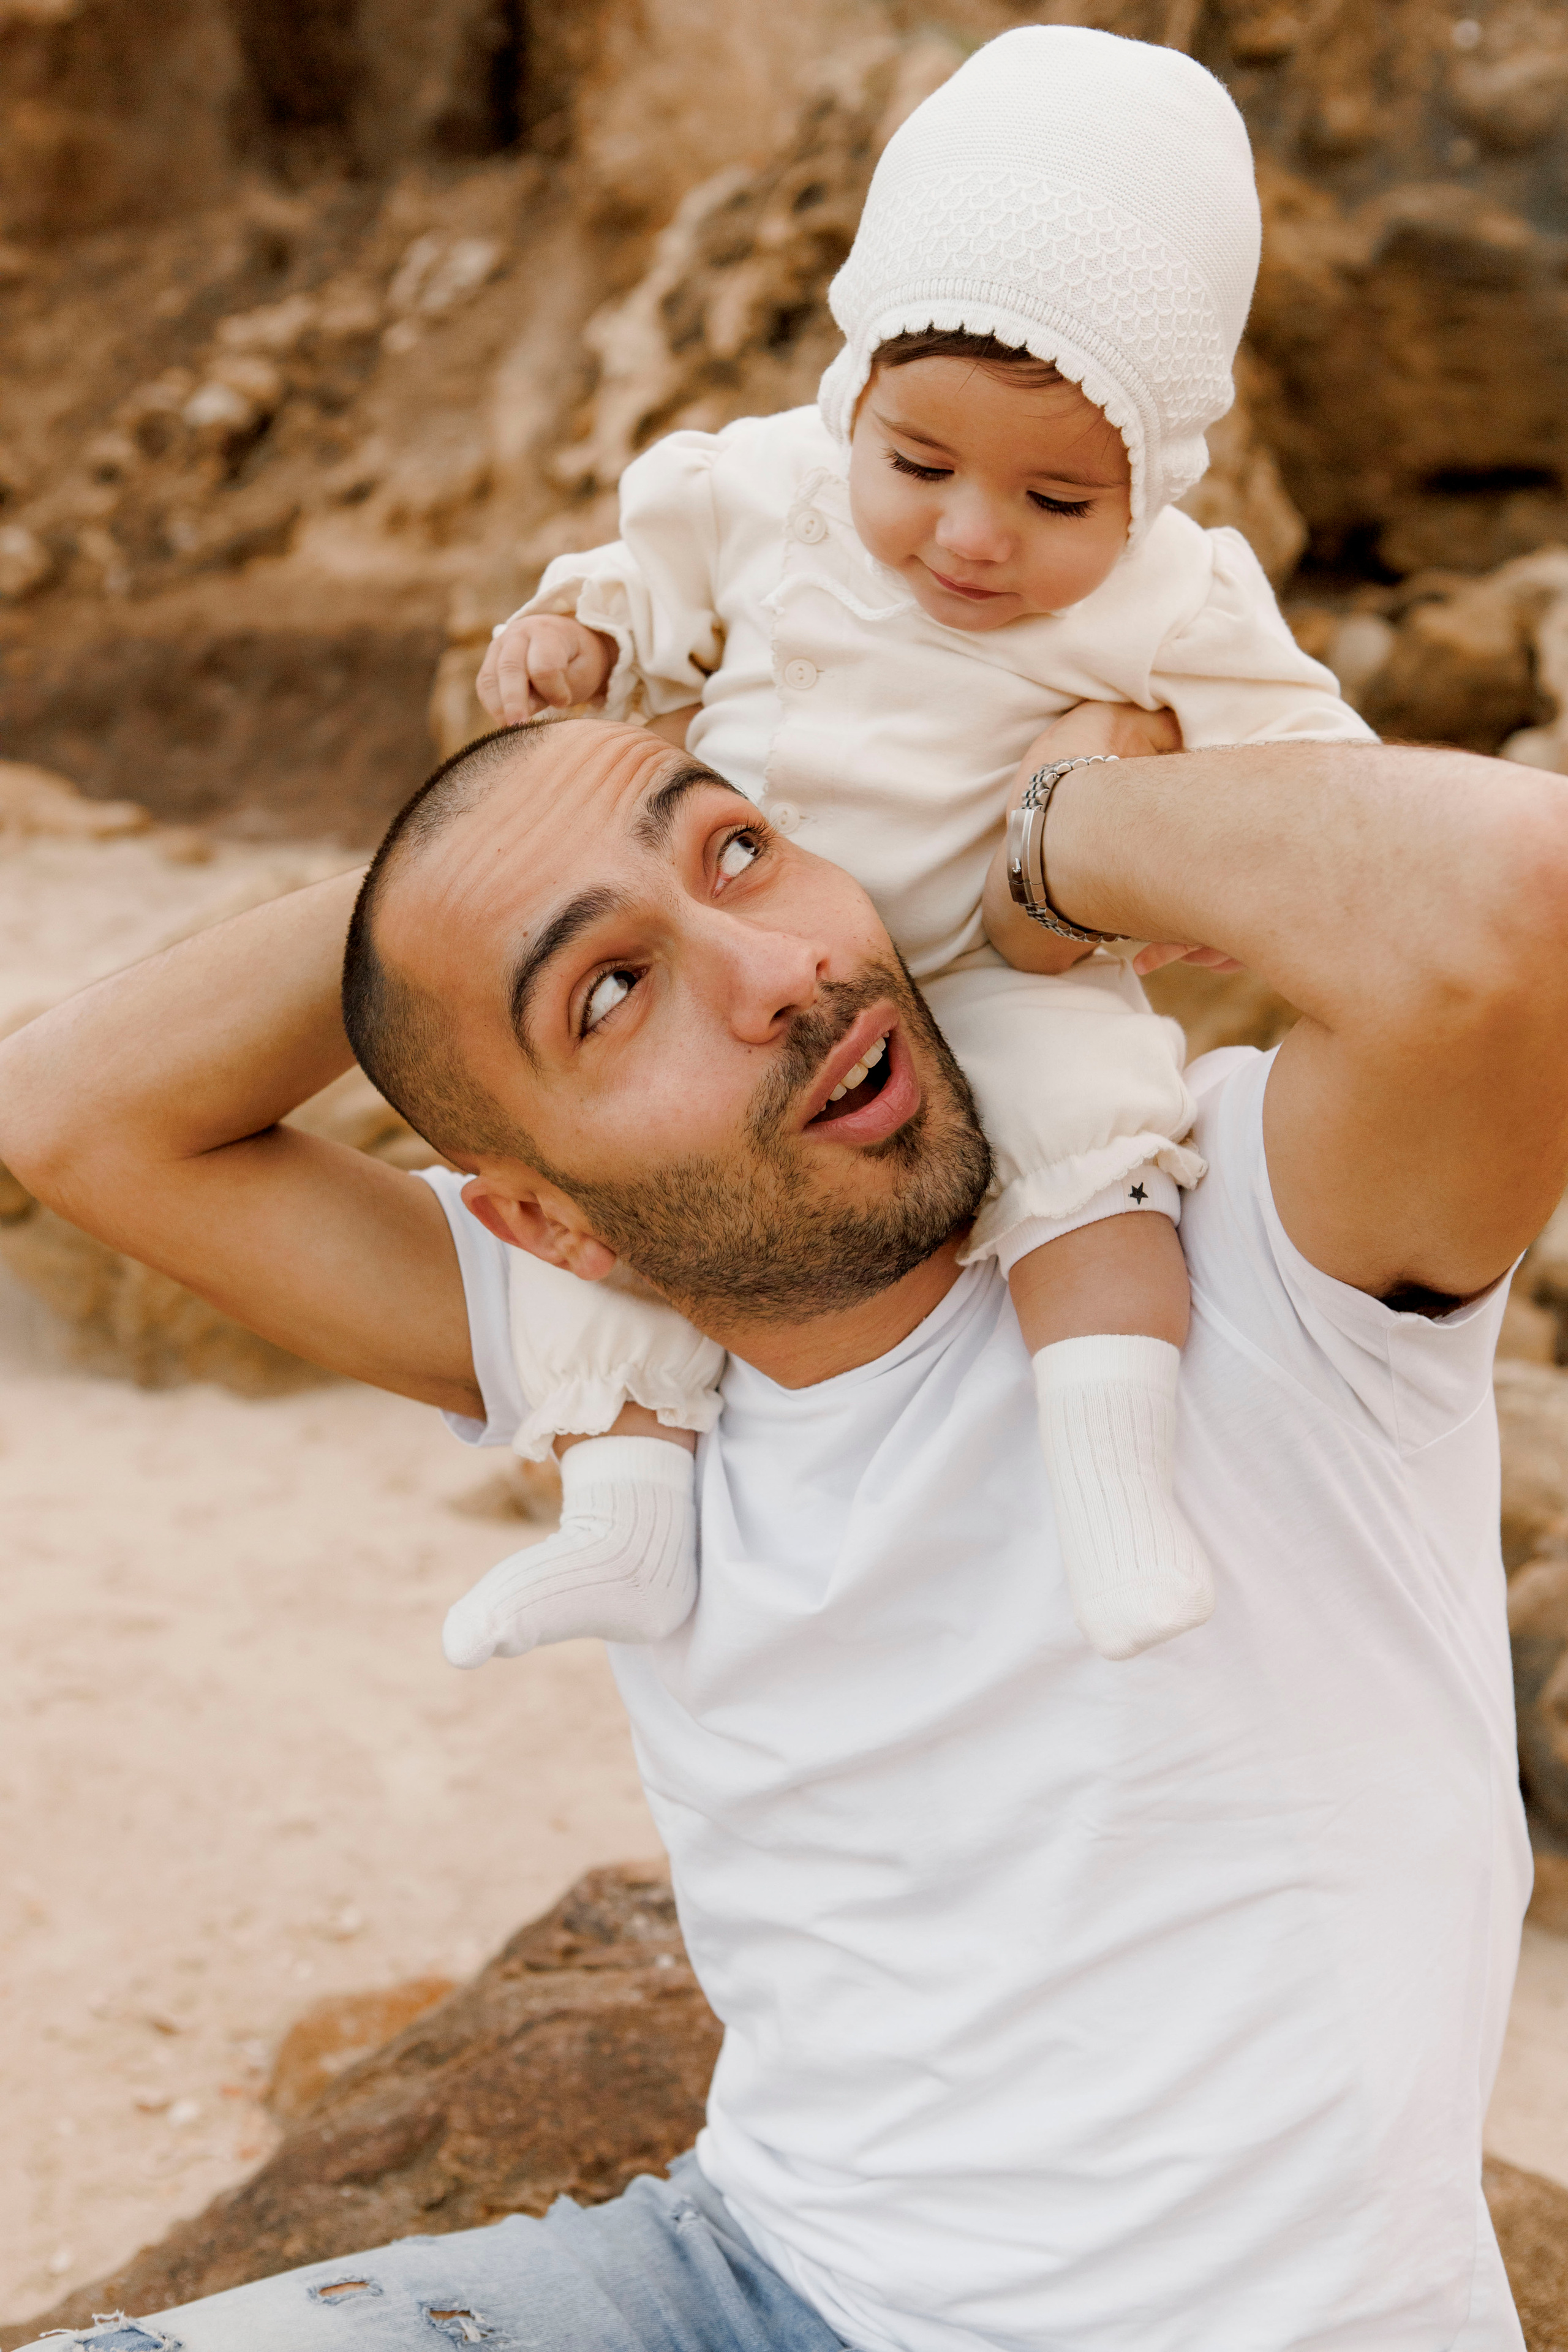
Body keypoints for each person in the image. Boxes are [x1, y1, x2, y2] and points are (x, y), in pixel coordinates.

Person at [2, 710, 1562, 2351]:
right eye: (612, 992)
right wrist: (462, 873)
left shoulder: (1261, 1239)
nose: (776, 973)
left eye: (742, 849)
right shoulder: (601, 1353)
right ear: (542, 1216)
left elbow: (1523, 889)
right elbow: (65, 1115)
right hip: (750, 2290)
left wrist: (1016, 818)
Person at [459, 24, 1375, 1673]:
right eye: (922, 464)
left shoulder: (1178, 594)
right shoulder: (760, 491)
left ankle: (1114, 1489)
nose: (970, 535)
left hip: (983, 965)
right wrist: (574, 640)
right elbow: (633, 589)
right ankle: (623, 1516)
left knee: (1096, 1141)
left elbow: (1324, 774)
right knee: (620, 1173)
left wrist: (1171, 770)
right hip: (735, 959)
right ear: (853, 394)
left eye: (1056, 503)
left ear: (1152, 485)